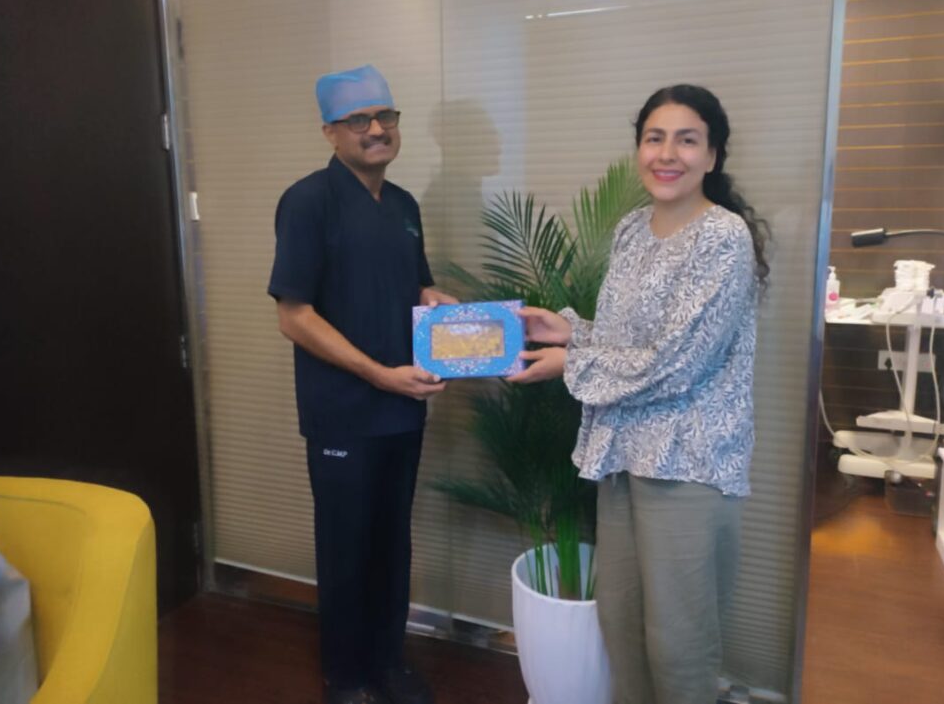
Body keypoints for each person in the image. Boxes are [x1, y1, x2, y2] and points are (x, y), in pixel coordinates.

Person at [508, 84, 769, 704]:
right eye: (655, 138)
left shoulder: (723, 237)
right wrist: (569, 330)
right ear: (638, 150)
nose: (667, 153)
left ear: (712, 155)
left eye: (687, 140)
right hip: (622, 454)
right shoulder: (631, 230)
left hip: (688, 465)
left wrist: (570, 362)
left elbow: (677, 364)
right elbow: (628, 342)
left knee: (678, 647)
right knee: (622, 629)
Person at [268, 64, 455, 704]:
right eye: (358, 120)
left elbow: (414, 285)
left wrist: (434, 300)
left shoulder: (403, 206)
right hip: (344, 412)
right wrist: (378, 375)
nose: (376, 129)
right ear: (330, 131)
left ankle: (388, 661)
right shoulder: (308, 202)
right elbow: (294, 316)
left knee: (392, 540)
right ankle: (345, 676)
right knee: (346, 545)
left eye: (386, 116)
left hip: (405, 406)